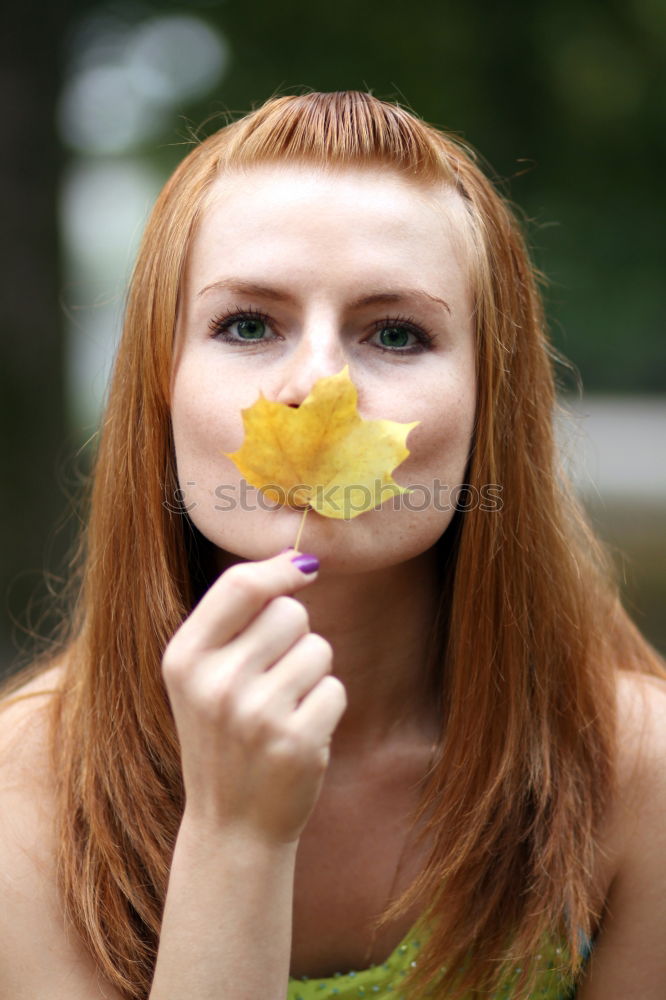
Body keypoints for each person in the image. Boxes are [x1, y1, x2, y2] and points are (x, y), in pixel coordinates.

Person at [0, 90, 664, 1000]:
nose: (315, 384)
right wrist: (236, 839)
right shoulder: (23, 788)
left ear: (489, 406)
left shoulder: (637, 771)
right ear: (163, 386)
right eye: (247, 324)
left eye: (396, 333)